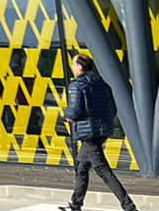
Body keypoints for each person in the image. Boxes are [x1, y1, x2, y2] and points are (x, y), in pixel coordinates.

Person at [61, 54, 138, 211]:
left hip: (89, 133)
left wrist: (66, 115)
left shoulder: (77, 85)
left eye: (73, 64)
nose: (72, 67)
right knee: (81, 166)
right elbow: (112, 109)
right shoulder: (103, 84)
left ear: (80, 67)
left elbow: (75, 111)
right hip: (101, 130)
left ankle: (129, 207)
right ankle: (75, 204)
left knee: (103, 171)